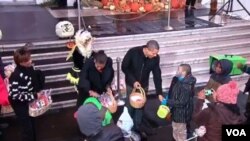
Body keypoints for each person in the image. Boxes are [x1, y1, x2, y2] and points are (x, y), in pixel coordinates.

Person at [121, 40, 163, 134]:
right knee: (130, 106)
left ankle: (137, 127)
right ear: (148, 50)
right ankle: (127, 126)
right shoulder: (133, 52)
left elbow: (157, 75)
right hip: (131, 85)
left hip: (143, 86)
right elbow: (124, 67)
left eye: (156, 53)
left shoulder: (155, 59)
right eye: (154, 53)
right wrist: (133, 81)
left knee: (140, 107)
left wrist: (159, 93)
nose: (155, 55)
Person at [8, 44, 45, 141]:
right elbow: (15, 95)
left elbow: (34, 81)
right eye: (27, 60)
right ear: (20, 63)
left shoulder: (29, 68)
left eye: (30, 58)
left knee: (32, 123)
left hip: (28, 100)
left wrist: (38, 91)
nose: (30, 61)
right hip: (19, 104)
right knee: (26, 128)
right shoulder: (15, 76)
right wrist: (33, 95)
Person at [167, 64, 196, 141]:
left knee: (180, 131)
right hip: (178, 112)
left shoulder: (185, 86)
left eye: (178, 70)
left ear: (184, 72)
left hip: (180, 114)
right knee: (176, 129)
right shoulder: (181, 81)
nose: (177, 72)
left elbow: (181, 102)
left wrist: (168, 101)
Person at [66, 30, 95, 103]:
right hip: (79, 75)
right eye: (88, 41)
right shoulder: (76, 52)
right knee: (82, 93)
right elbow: (80, 65)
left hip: (87, 75)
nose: (90, 42)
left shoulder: (88, 50)